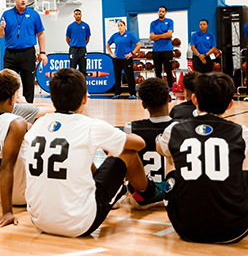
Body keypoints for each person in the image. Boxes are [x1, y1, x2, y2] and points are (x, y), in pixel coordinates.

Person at [23, 68, 166, 237]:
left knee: (80, 154)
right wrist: (115, 141)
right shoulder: (91, 126)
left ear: (52, 99)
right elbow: (139, 144)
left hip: (38, 219)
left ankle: (117, 191)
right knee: (127, 153)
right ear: (85, 98)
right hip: (79, 223)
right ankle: (148, 194)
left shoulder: (36, 125)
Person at [160, 72, 248, 243]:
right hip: (235, 230)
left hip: (184, 227)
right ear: (230, 104)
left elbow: (160, 148)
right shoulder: (242, 132)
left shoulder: (173, 129)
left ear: (194, 99)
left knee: (169, 155)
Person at [124, 78, 175, 209]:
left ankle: (119, 192)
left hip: (144, 194)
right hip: (176, 190)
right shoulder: (181, 127)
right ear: (169, 98)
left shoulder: (131, 128)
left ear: (143, 105)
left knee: (123, 151)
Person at [0, 0, 43, 103]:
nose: (23, 0)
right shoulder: (6, 14)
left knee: (29, 84)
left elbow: (40, 33)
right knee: (7, 83)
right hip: (11, 53)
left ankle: (28, 108)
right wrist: (1, 27)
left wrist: (42, 52)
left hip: (28, 53)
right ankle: (7, 109)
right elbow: (1, 35)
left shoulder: (34, 15)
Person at [0, 70, 25, 225]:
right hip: (19, 196)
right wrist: (8, 212)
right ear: (12, 99)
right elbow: (6, 167)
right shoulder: (16, 122)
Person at [150, 6, 176, 88]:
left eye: (163, 11)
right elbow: (151, 37)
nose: (161, 12)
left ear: (165, 13)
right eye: (160, 11)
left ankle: (170, 88)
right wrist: (165, 35)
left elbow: (169, 34)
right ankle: (159, 88)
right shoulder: (153, 23)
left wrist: (157, 36)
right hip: (156, 50)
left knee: (168, 70)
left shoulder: (169, 21)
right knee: (157, 71)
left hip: (167, 49)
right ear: (158, 12)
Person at [108, 20, 136, 96]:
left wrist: (132, 53)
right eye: (118, 25)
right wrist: (111, 53)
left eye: (121, 25)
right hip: (117, 59)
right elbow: (108, 44)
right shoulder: (115, 35)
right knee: (117, 76)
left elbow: (138, 44)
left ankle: (132, 93)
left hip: (126, 59)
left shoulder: (129, 35)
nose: (120, 27)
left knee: (129, 76)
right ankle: (117, 93)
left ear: (125, 26)